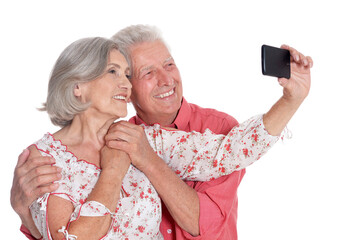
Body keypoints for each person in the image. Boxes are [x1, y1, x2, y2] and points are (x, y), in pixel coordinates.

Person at [11, 25, 312, 239]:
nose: (125, 85)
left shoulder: (143, 140)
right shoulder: (47, 157)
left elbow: (233, 151)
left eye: (169, 64)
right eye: (117, 73)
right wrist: (24, 212)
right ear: (78, 86)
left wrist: (291, 99)